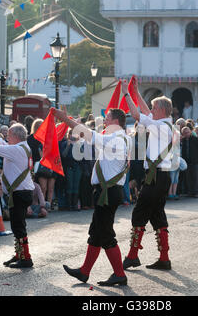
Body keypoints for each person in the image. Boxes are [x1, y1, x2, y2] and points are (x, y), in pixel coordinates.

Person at [55, 107, 130, 287]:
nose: (105, 121)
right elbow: (88, 136)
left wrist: (66, 120)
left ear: (116, 122)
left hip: (108, 192)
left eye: (108, 118)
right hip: (107, 191)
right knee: (96, 233)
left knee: (105, 234)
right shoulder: (119, 138)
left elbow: (88, 134)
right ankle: (84, 271)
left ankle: (120, 274)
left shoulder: (116, 139)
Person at [122, 77, 175, 271]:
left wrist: (126, 94)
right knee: (157, 215)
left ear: (161, 110)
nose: (151, 111)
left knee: (139, 213)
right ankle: (164, 258)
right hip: (159, 175)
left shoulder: (161, 126)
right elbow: (144, 112)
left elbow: (137, 114)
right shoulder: (163, 123)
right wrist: (136, 92)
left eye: (154, 108)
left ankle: (133, 255)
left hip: (157, 176)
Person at [0, 123, 35, 269]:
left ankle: (26, 258)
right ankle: (20, 254)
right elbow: (3, 145)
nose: (7, 137)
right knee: (18, 224)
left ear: (15, 136)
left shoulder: (17, 149)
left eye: (9, 135)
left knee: (18, 226)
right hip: (22, 192)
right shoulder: (22, 147)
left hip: (20, 193)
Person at [181, 126, 198, 198]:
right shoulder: (183, 140)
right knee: (188, 177)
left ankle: (197, 192)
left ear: (190, 132)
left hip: (196, 161)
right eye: (184, 133)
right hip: (187, 162)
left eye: (187, 132)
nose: (186, 134)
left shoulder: (196, 140)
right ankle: (190, 192)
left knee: (196, 177)